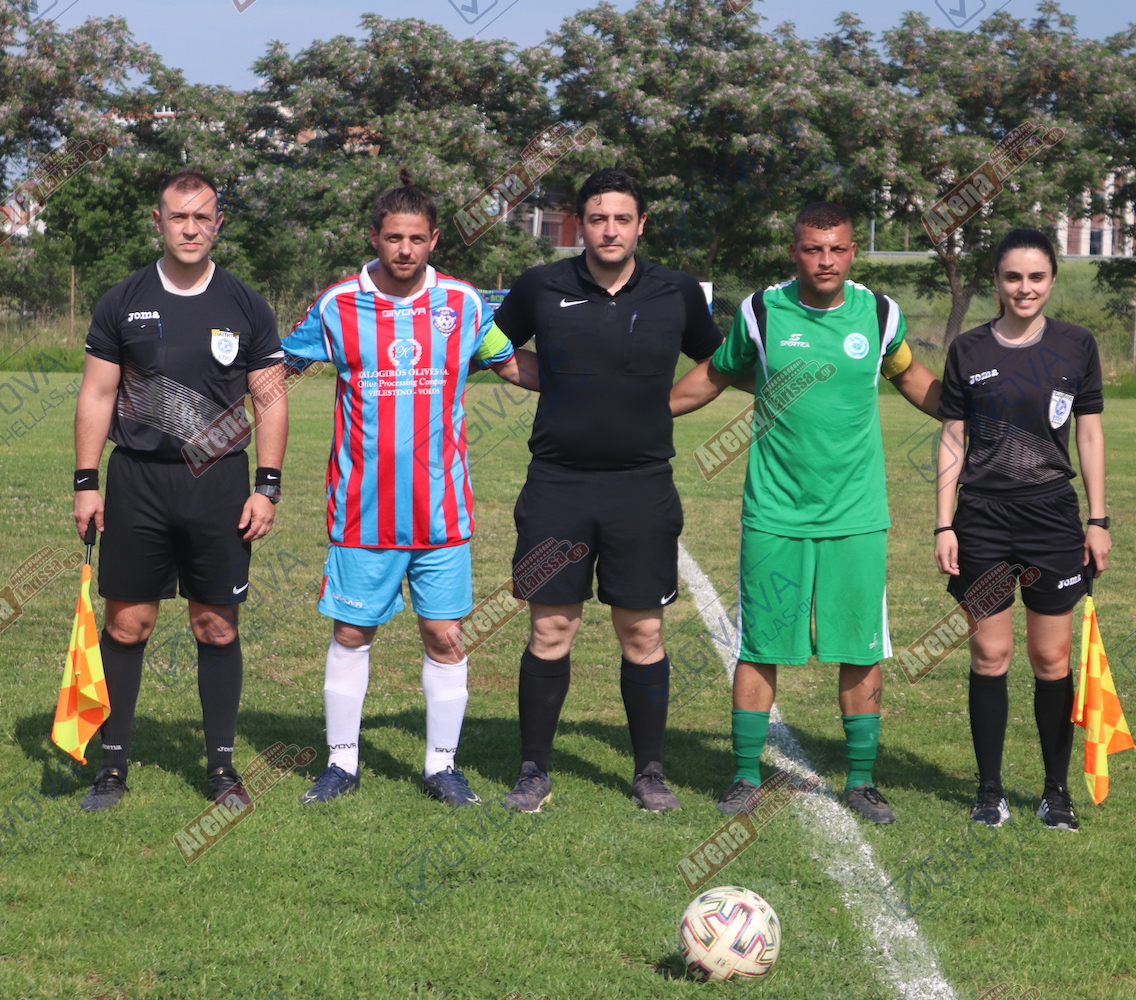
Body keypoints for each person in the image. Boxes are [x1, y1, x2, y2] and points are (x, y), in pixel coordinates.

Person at [670, 201, 941, 825]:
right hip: (775, 512)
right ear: (794, 251)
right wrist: (648, 412)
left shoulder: (879, 314)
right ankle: (745, 775)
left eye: (838, 248)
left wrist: (978, 409)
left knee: (860, 648)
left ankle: (862, 781)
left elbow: (911, 377)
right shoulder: (762, 312)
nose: (826, 260)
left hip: (856, 515)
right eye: (814, 248)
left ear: (853, 252)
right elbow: (715, 374)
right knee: (760, 645)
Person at [281, 170, 530, 808]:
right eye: (393, 237)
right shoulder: (337, 305)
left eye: (417, 239)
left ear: (434, 240)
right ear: (374, 236)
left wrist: (594, 376)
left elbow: (510, 366)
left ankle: (441, 767)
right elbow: (278, 368)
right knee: (351, 635)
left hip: (442, 514)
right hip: (362, 514)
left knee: (445, 637)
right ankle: (341, 762)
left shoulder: (464, 304)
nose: (405, 249)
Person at [489, 168, 724, 814]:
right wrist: (553, 380)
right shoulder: (541, 285)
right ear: (581, 225)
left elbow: (718, 362)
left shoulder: (677, 291)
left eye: (622, 219)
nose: (610, 230)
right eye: (598, 219)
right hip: (557, 485)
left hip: (641, 488)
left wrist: (661, 405)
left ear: (640, 225)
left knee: (642, 631)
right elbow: (493, 347)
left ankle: (650, 772)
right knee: (551, 629)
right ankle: (533, 770)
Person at [73, 169, 289, 811]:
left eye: (201, 217)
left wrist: (267, 486)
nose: (190, 229)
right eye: (178, 217)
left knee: (215, 626)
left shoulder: (247, 304)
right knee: (128, 623)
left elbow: (270, 399)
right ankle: (112, 767)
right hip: (137, 481)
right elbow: (97, 393)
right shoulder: (122, 300)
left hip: (218, 485)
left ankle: (221, 769)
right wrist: (86, 482)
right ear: (158, 222)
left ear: (218, 223)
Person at [933, 227, 1110, 832]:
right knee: (990, 653)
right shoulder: (969, 349)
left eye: (1036, 277)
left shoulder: (1076, 345)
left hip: (1052, 518)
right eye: (1013, 277)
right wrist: (943, 523)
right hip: (982, 520)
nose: (1024, 288)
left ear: (1052, 279)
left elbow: (1089, 434)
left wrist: (1097, 520)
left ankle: (1055, 792)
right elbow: (952, 438)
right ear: (997, 281)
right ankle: (989, 792)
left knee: (1051, 657)